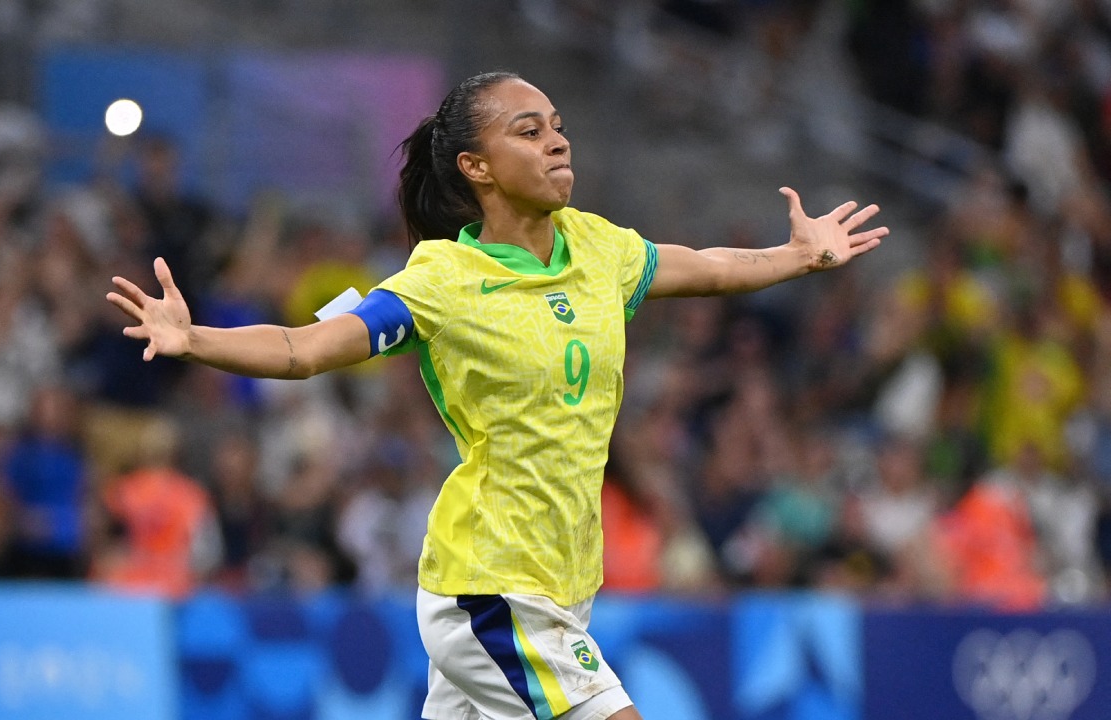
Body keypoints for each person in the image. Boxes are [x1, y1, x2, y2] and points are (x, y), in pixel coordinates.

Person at [107, 71, 887, 720]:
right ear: (476, 167)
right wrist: (194, 337)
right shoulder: (443, 281)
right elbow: (304, 348)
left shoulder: (597, 247)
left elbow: (707, 266)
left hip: (562, 585)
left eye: (556, 124)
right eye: (528, 129)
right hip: (493, 584)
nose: (556, 139)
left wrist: (796, 257)